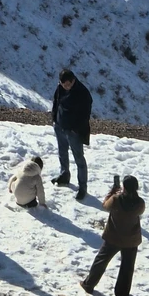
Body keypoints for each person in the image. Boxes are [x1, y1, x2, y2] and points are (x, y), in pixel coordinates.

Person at [80, 175, 145, 296]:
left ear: (124, 187)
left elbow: (105, 205)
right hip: (131, 240)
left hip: (113, 237)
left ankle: (89, 284)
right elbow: (140, 212)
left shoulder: (116, 199)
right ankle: (122, 293)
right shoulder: (140, 203)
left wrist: (112, 192)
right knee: (127, 266)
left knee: (101, 260)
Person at [51, 68, 92, 200]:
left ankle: (82, 187)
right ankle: (64, 175)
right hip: (60, 125)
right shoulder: (60, 88)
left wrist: (77, 129)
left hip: (74, 130)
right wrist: (54, 119)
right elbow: (56, 102)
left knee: (78, 158)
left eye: (68, 84)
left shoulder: (83, 93)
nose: (66, 87)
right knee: (62, 152)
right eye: (64, 85)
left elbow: (85, 115)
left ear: (73, 80)